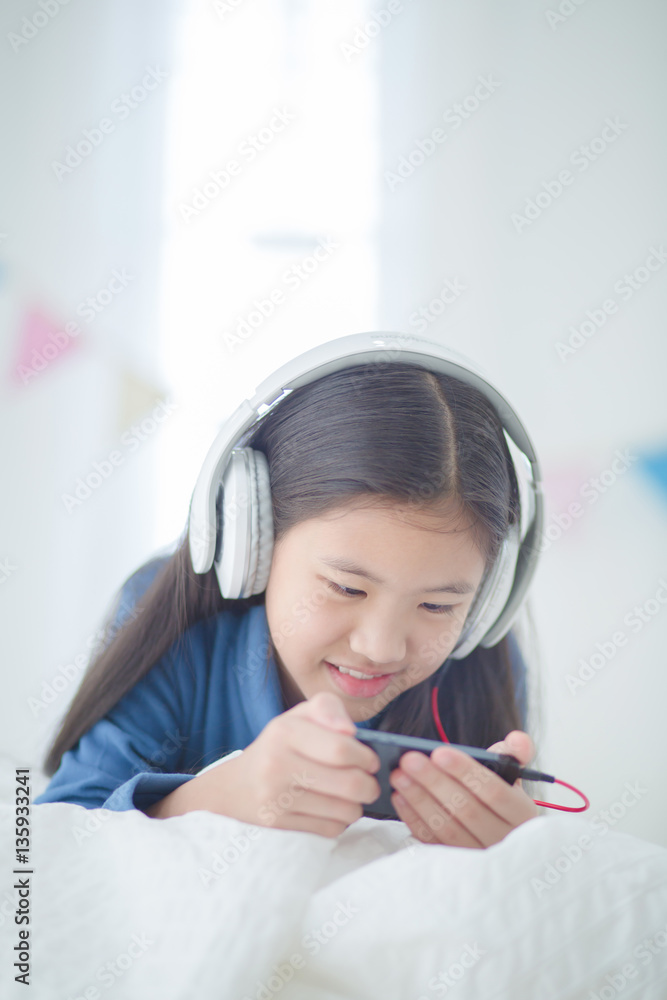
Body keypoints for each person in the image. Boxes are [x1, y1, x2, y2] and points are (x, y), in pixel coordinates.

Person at [36, 346, 541, 848]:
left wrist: (515, 853)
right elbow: (52, 841)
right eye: (346, 587)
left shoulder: (484, 666)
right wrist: (210, 800)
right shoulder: (172, 621)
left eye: (438, 606)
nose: (380, 647)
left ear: (487, 600)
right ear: (252, 543)